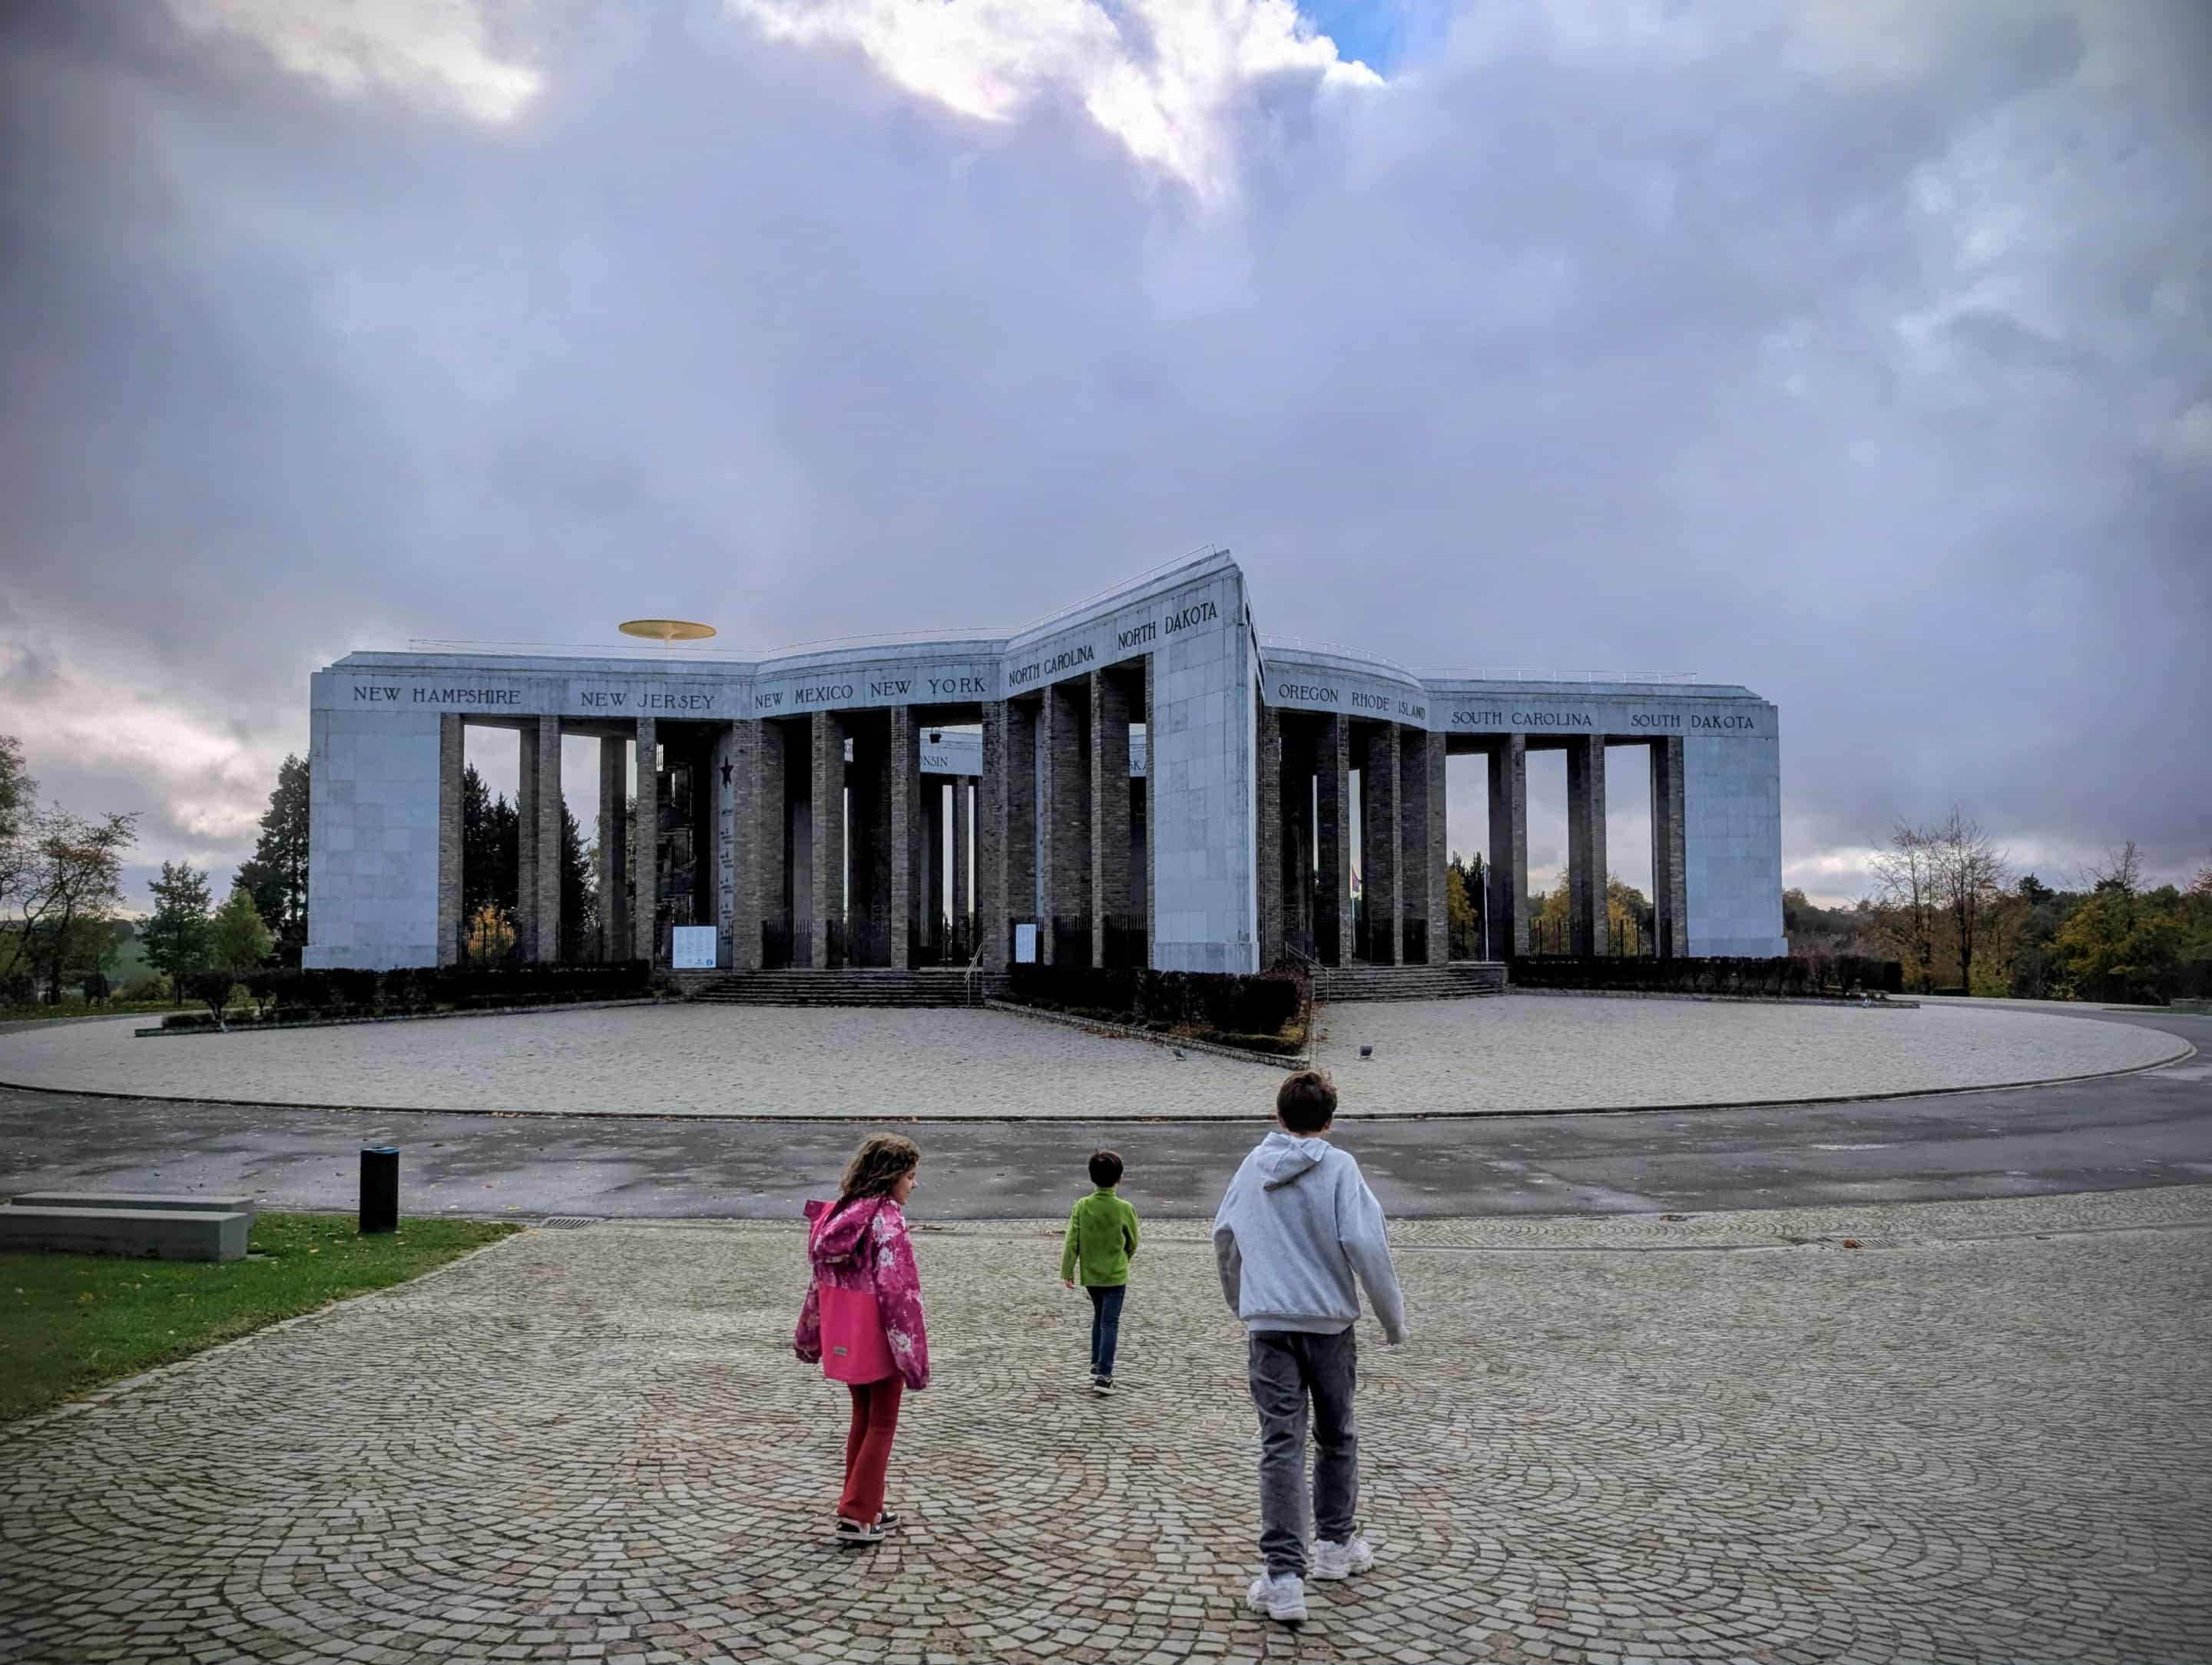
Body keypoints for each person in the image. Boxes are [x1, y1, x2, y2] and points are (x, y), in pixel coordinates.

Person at [1212, 1069, 1407, 1624]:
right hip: (1328, 1326)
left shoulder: (1252, 1168)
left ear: (1278, 1116)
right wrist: (1392, 1319)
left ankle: (1282, 1578)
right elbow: (1367, 1243)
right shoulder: (1341, 1168)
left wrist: (1243, 1302)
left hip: (1269, 1324)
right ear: (1329, 1120)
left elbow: (1224, 1238)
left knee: (1281, 1445)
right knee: (1337, 1434)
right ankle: (1335, 1546)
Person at [794, 1133, 930, 1545]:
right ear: (890, 1178)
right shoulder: (888, 1221)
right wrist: (912, 1352)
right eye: (910, 1176)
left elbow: (817, 1283)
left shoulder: (838, 1216)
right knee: (884, 1422)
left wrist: (810, 1333)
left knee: (863, 1418)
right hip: (880, 1335)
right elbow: (898, 1291)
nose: (914, 1185)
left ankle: (867, 1502)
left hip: (845, 1332)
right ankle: (856, 1514)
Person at [1061, 1147, 1141, 1392]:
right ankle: (1105, 1375)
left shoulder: (1082, 1205)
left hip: (1092, 1274)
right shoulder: (1124, 1208)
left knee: (1099, 1317)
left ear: (1091, 1176)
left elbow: (1071, 1240)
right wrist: (1124, 1258)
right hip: (1115, 1274)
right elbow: (1133, 1241)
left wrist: (1068, 1269)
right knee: (1110, 1322)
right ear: (1120, 1178)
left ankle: (1096, 1362)